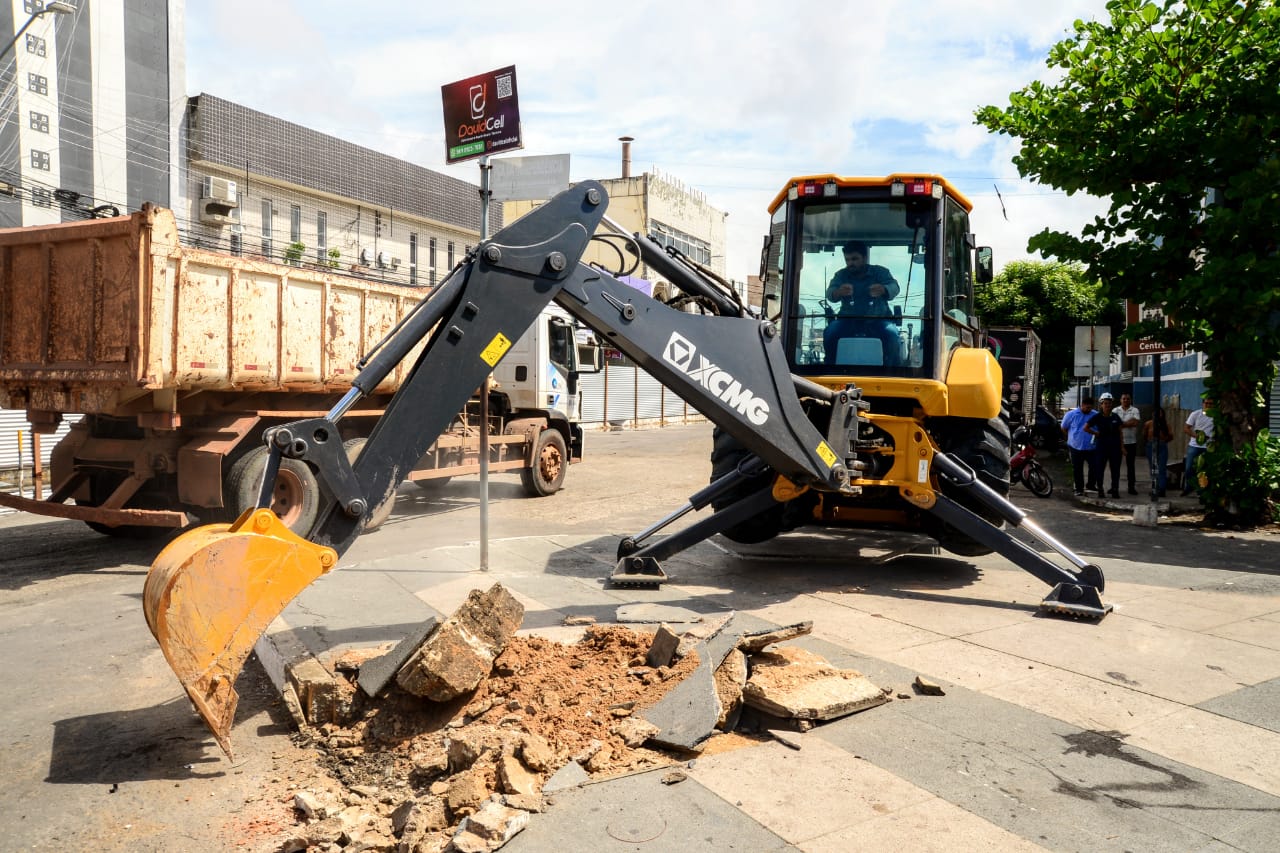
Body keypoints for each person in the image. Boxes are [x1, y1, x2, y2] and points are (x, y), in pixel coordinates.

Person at [822, 241, 901, 366]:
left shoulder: (880, 272)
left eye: (854, 259)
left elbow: (894, 287)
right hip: (847, 321)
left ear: (864, 258)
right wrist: (839, 292)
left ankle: (892, 371)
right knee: (831, 332)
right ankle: (829, 368)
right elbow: (830, 293)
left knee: (891, 334)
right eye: (847, 260)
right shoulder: (841, 275)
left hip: (878, 321)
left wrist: (883, 289)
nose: (850, 263)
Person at [1087, 392, 1124, 498]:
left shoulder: (1116, 417)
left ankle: (1115, 489)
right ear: (1101, 404)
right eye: (1105, 403)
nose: (1107, 405)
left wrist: (1122, 447)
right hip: (1101, 447)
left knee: (1115, 469)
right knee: (1100, 469)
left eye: (1109, 403)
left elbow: (1120, 432)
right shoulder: (1097, 417)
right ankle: (1100, 489)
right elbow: (1086, 427)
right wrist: (1096, 433)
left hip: (1115, 447)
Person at [1061, 396, 1097, 497]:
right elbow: (1064, 427)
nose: (1088, 409)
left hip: (1091, 447)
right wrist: (1071, 438)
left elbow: (1099, 429)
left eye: (1090, 408)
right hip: (1075, 447)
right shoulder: (1071, 414)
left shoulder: (1095, 415)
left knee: (1094, 466)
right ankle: (1079, 488)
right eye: (1086, 407)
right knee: (1077, 468)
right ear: (1082, 405)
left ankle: (1091, 485)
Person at [1182, 395, 1214, 496]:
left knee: (1205, 470)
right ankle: (1189, 487)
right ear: (1203, 404)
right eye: (1206, 403)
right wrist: (1196, 436)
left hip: (1209, 446)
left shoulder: (1216, 416)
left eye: (1210, 404)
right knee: (1189, 468)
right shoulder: (1196, 414)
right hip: (1195, 445)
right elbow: (1186, 428)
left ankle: (1202, 491)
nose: (1208, 405)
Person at [1115, 392, 1142, 495]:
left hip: (1131, 442)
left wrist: (1121, 424)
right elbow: (1114, 424)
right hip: (1117, 442)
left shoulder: (1135, 410)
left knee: (1131, 466)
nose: (1125, 400)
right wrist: (1127, 423)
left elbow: (1135, 422)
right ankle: (1115, 486)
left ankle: (1131, 487)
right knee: (1116, 465)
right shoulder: (1115, 410)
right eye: (1124, 399)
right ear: (1120, 400)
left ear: (1130, 400)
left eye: (1127, 399)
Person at [1143, 407, 1173, 497]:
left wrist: (1163, 441)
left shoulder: (1166, 425)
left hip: (1162, 446)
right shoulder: (1148, 424)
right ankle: (1155, 489)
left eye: (1159, 413)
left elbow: (1171, 436)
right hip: (1151, 445)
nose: (1157, 415)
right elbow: (1144, 435)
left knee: (1162, 469)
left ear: (1162, 414)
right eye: (1155, 413)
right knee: (1153, 469)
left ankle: (1162, 489)